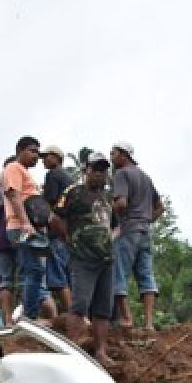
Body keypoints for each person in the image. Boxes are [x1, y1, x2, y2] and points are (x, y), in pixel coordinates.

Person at [51, 152, 114, 364]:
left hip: (106, 258)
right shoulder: (74, 192)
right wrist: (69, 239)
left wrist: (110, 239)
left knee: (103, 309)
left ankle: (101, 352)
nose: (100, 174)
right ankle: (71, 350)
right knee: (80, 304)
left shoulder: (108, 196)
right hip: (82, 257)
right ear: (86, 170)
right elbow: (55, 218)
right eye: (95, 169)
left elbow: (116, 224)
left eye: (103, 170)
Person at [110, 141, 164, 331]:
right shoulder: (145, 177)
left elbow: (122, 203)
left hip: (126, 230)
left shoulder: (122, 174)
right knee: (146, 276)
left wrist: (105, 209)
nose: (111, 157)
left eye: (114, 153)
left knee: (118, 273)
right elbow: (160, 207)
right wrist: (146, 220)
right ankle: (149, 324)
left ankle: (126, 318)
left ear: (124, 154)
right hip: (144, 232)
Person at [2, 136, 53, 321]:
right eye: (32, 151)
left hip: (29, 227)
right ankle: (29, 318)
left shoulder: (23, 171)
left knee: (33, 271)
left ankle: (30, 315)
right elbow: (14, 195)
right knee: (33, 271)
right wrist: (25, 223)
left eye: (38, 153)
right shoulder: (13, 168)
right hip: (21, 226)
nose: (36, 156)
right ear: (20, 150)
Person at [40, 144, 73, 312]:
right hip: (70, 231)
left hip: (57, 231)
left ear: (56, 157)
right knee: (70, 274)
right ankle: (81, 314)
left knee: (59, 276)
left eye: (46, 156)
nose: (43, 160)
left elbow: (49, 205)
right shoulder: (69, 177)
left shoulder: (53, 175)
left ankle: (72, 313)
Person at [0, 157, 16, 323]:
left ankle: (7, 320)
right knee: (29, 277)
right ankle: (30, 319)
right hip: (19, 234)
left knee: (5, 280)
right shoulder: (19, 186)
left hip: (0, 236)